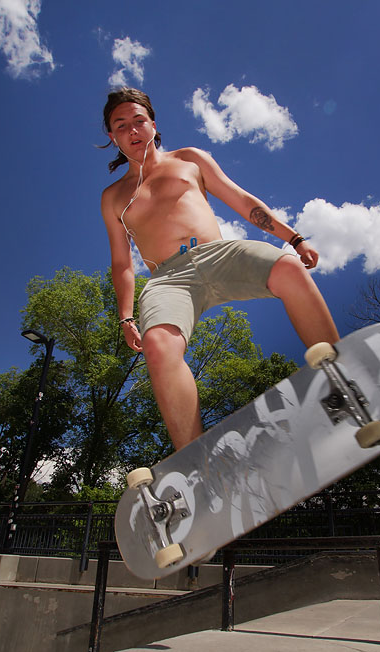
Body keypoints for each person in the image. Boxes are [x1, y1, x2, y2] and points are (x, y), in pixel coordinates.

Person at [101, 87, 340, 452]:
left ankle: (340, 381)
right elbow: (121, 263)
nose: (133, 131)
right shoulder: (113, 197)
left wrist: (294, 239)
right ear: (112, 136)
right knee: (158, 344)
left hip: (218, 255)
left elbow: (241, 200)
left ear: (152, 124)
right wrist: (125, 316)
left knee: (288, 269)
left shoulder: (189, 159)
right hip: (168, 279)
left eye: (139, 121)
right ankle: (195, 463)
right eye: (122, 126)